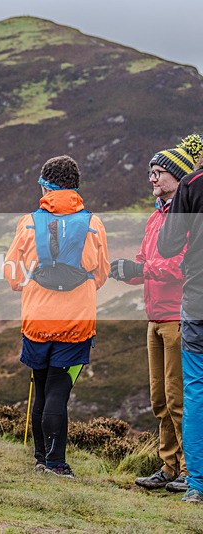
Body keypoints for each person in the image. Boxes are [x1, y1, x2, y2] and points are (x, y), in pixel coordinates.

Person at [109, 135, 203, 493]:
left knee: (180, 398)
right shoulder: (154, 219)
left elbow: (181, 265)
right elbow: (149, 263)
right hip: (154, 317)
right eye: (150, 172)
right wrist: (128, 271)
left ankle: (191, 472)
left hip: (179, 317)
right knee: (159, 399)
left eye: (160, 172)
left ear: (178, 179)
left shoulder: (185, 214)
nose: (152, 178)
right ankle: (169, 466)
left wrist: (142, 270)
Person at [5, 155, 109, 478]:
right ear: (76, 186)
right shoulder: (93, 223)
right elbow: (102, 273)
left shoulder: (27, 222)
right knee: (58, 390)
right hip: (76, 323)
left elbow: (12, 275)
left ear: (44, 185)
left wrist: (30, 285)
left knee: (40, 387)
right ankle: (56, 464)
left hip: (36, 320)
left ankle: (40, 458)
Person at [158, 135, 203, 504]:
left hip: (197, 302)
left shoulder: (192, 184)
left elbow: (168, 246)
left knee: (195, 391)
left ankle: (198, 484)